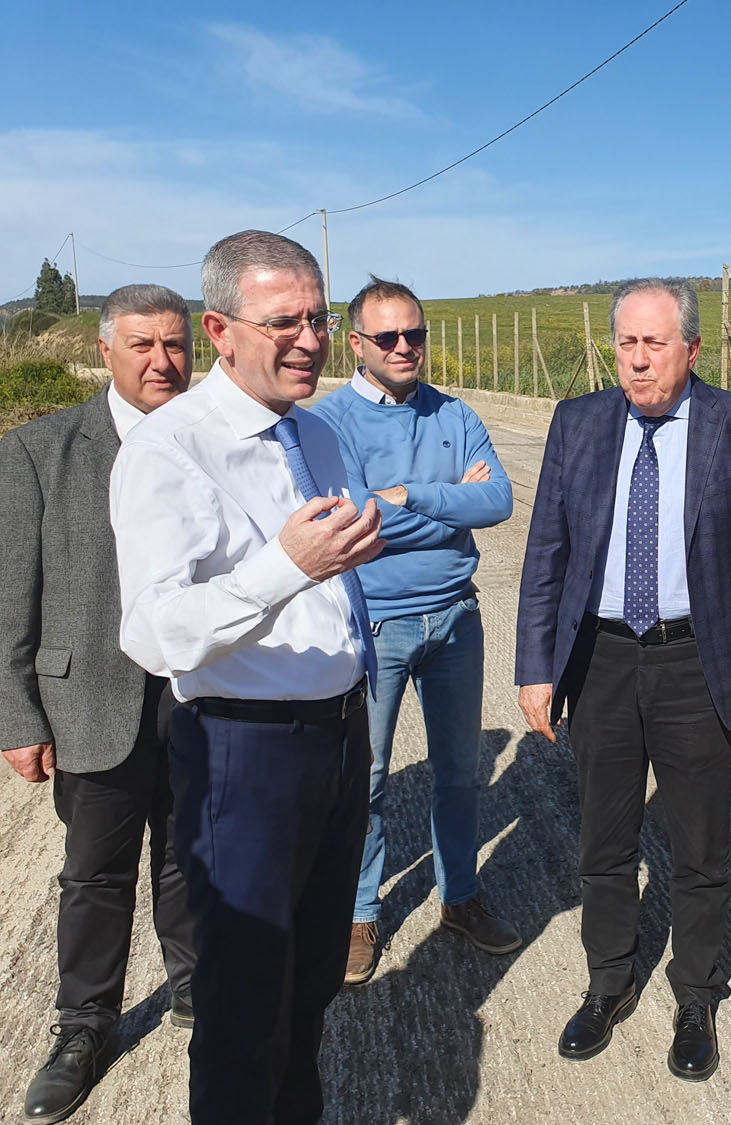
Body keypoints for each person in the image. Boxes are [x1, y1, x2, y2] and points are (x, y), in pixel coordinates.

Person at [110, 230, 383, 1124]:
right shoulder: (172, 448)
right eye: (284, 323)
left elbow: (330, 581)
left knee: (311, 985)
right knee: (241, 1004)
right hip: (244, 751)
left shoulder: (317, 433)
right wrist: (284, 567)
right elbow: (153, 632)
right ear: (220, 330)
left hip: (338, 738)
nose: (311, 340)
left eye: (320, 318)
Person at [515, 277, 731, 1082]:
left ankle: (696, 993)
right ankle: (609, 981)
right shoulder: (578, 422)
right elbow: (546, 553)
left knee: (700, 845)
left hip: (694, 658)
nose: (636, 360)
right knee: (604, 839)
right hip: (599, 658)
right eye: (626, 343)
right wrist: (536, 667)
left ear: (692, 348)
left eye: (654, 344)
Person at [1, 284, 196, 1125]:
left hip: (194, 696)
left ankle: (197, 988)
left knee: (191, 855)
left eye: (175, 344)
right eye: (142, 344)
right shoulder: (39, 449)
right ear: (105, 350)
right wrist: (17, 717)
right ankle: (84, 1026)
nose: (162, 361)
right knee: (94, 874)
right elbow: (11, 596)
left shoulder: (211, 441)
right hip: (89, 700)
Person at [311, 276, 518, 985]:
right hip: (374, 624)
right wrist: (452, 503)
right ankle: (360, 911)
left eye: (416, 334)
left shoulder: (453, 412)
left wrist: (411, 496)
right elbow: (352, 523)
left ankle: (460, 896)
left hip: (456, 615)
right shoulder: (330, 423)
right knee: (364, 778)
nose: (405, 347)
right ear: (356, 343)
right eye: (388, 336)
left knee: (457, 772)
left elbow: (499, 500)